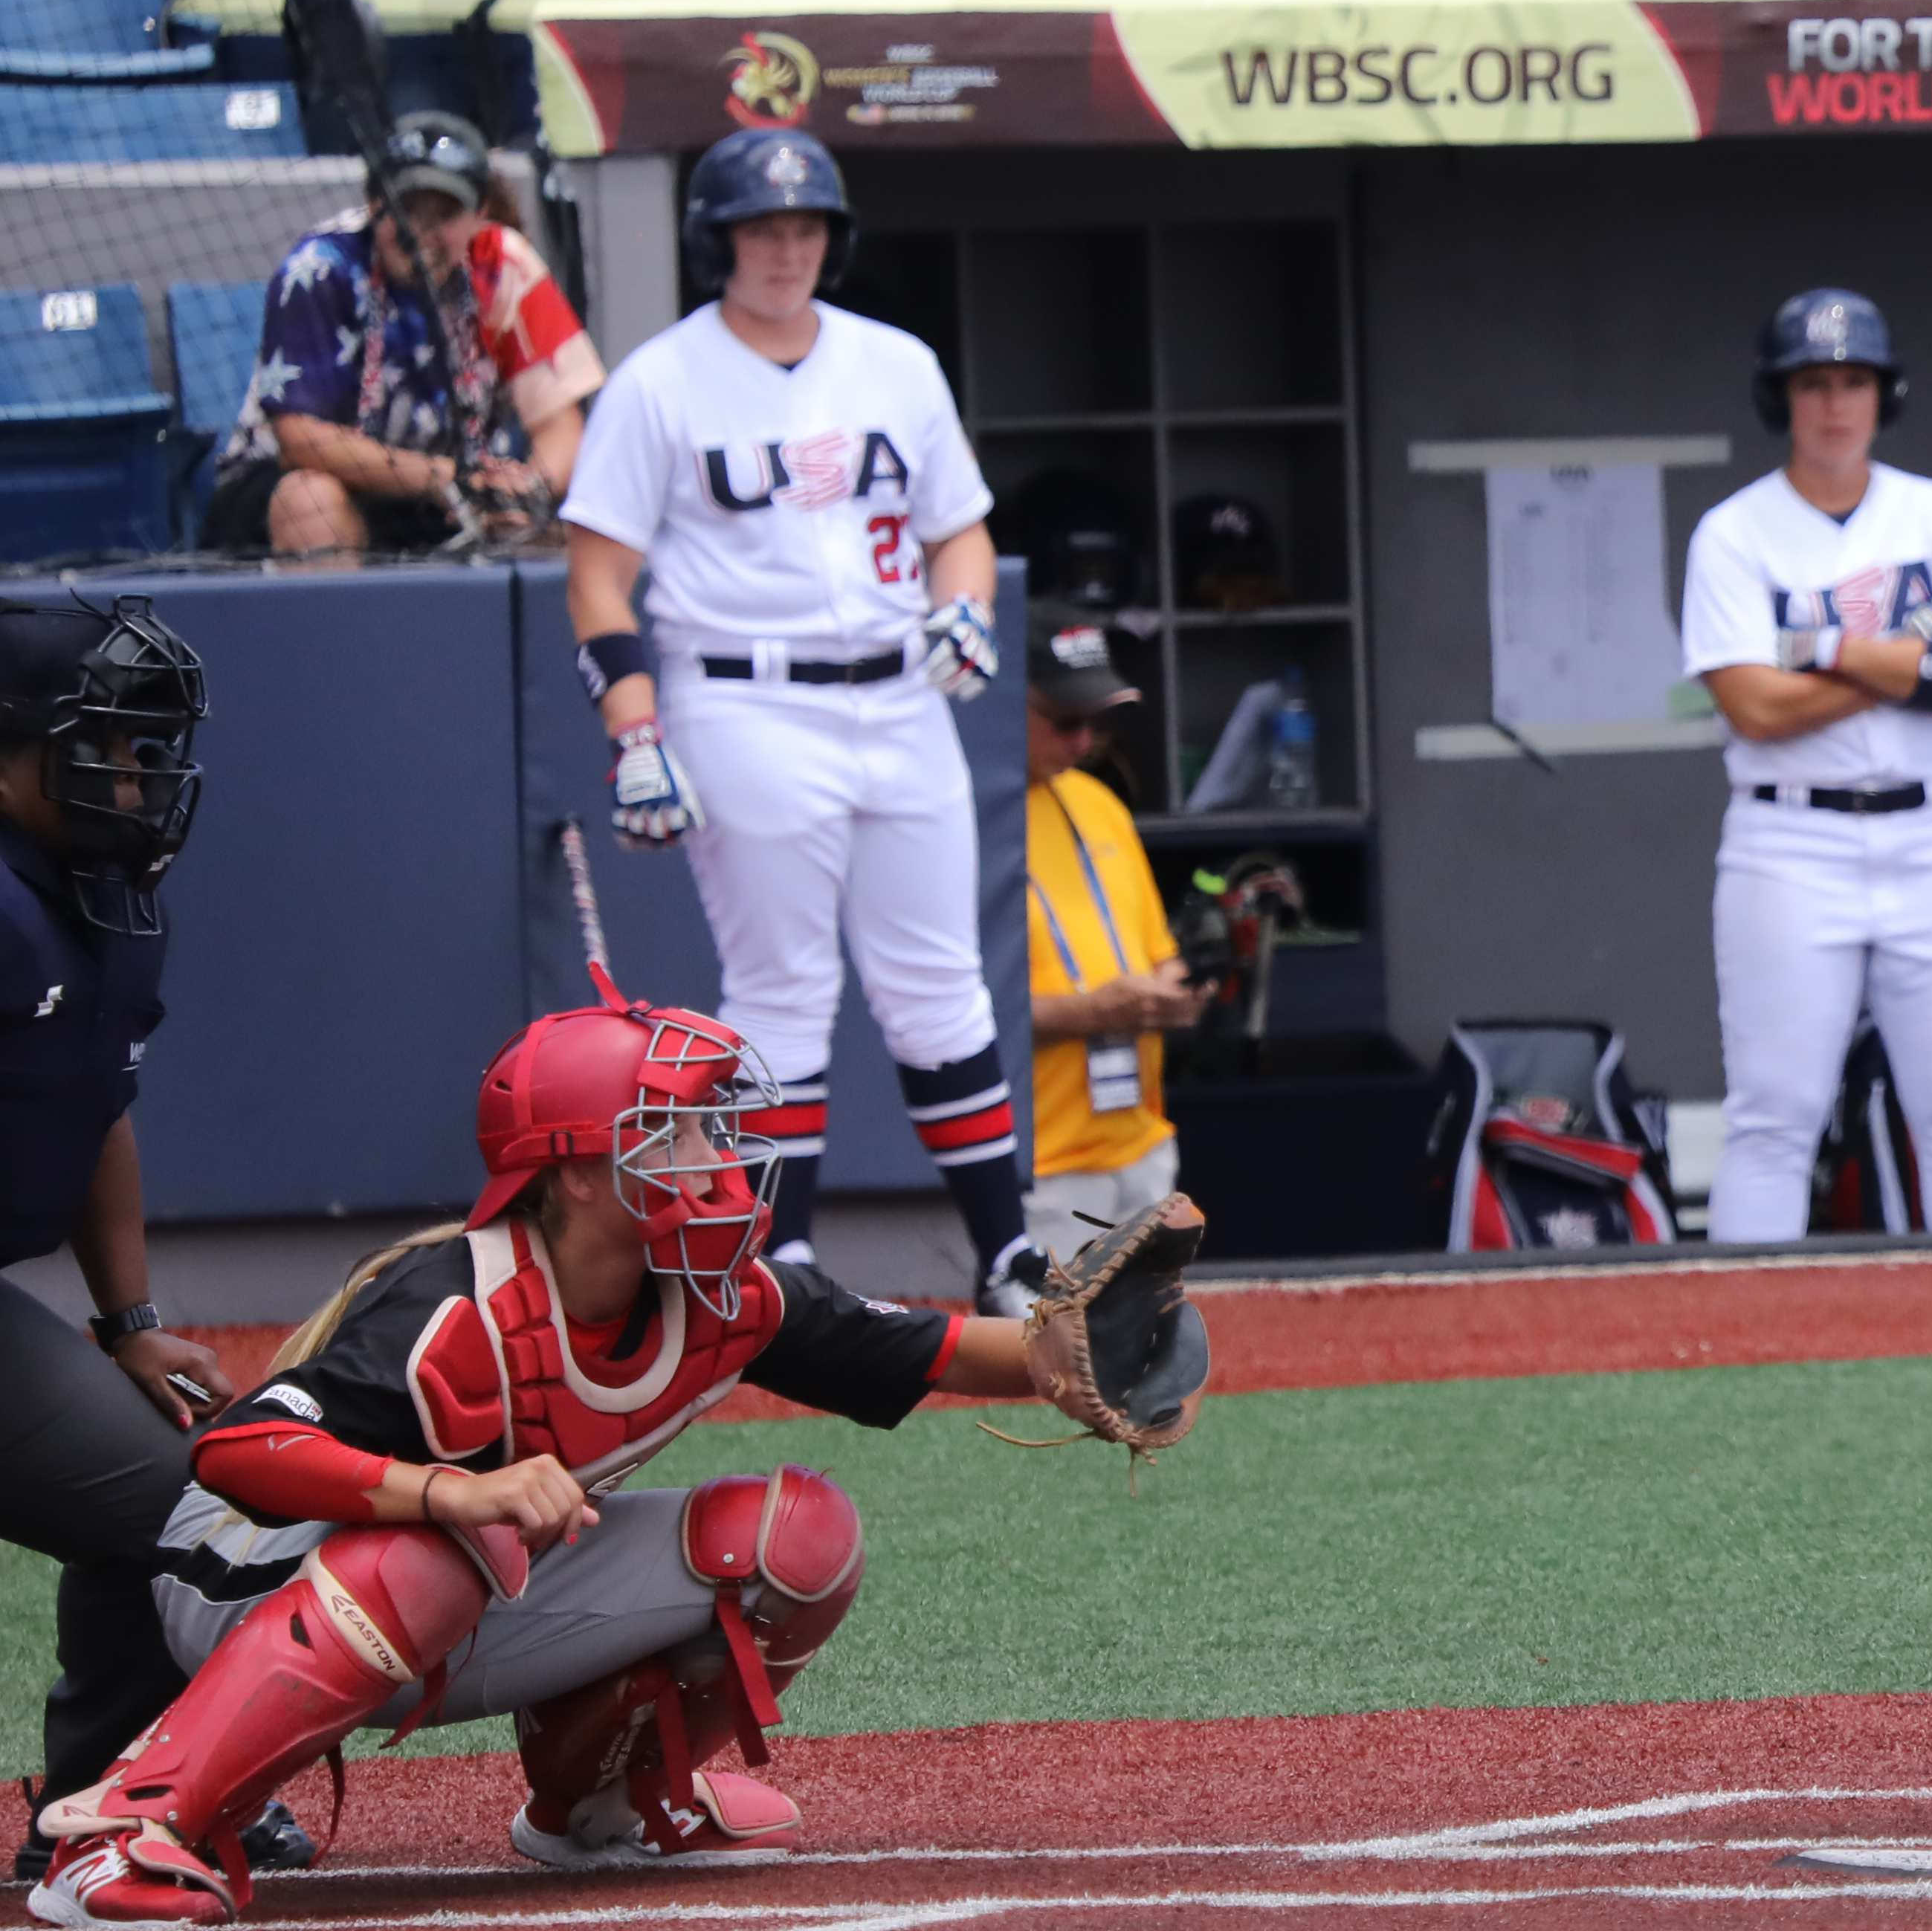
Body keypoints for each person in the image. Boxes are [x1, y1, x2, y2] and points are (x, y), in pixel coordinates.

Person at [25, 983, 1142, 1929]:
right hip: (241, 1579)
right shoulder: (456, 1301)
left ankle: (596, 1803)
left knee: (798, 1536)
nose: (716, 1159)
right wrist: (445, 1490)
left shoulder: (725, 1297)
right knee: (449, 1546)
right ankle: (129, 1828)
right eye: (678, 1133)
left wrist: (1080, 1358)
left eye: (712, 1128)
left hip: (453, 1577)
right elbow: (237, 1454)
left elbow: (934, 1343)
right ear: (574, 1172)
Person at [555, 127, 1036, 1312]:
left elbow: (958, 526)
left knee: (940, 984)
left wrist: (965, 606)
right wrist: (634, 732)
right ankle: (784, 1257)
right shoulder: (662, 380)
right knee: (779, 986)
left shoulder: (896, 363)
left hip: (900, 690)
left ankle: (1008, 1249)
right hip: (744, 693)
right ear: (715, 241)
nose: (783, 249)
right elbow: (597, 576)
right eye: (759, 229)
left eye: (804, 226)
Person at [0, 598, 284, 1893]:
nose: (141, 777)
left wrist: (127, 1322)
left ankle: (103, 1801)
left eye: (151, 746)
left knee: (175, 1507)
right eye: (111, 745)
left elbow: (98, 1103)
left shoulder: (107, 896)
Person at [1679, 289, 1932, 1245]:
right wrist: (1913, 666)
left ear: (1885, 393)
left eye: (1855, 382)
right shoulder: (1734, 532)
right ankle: (1754, 1358)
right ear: (1779, 398)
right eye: (1814, 383)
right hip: (1787, 838)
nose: (1836, 403)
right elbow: (1752, 706)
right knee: (1774, 1116)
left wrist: (1822, 649)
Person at [198, 114, 599, 562]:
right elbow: (301, 440)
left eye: (444, 215)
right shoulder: (320, 268)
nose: (420, 234)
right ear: (374, 205)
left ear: (479, 214)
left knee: (555, 524)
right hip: (288, 485)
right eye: (406, 210)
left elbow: (561, 427)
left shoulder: (505, 265)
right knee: (312, 499)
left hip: (443, 495)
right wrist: (446, 478)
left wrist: (523, 492)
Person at [1024, 624, 1190, 1267]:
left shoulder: (1098, 802)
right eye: (1065, 720)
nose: (1083, 742)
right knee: (1056, 1363)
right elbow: (946, 1021)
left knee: (1150, 1362)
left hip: (1142, 1146)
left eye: (1095, 722)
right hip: (1041, 1166)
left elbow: (1159, 957)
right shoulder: (956, 819)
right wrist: (1095, 1013)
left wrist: (1179, 994)